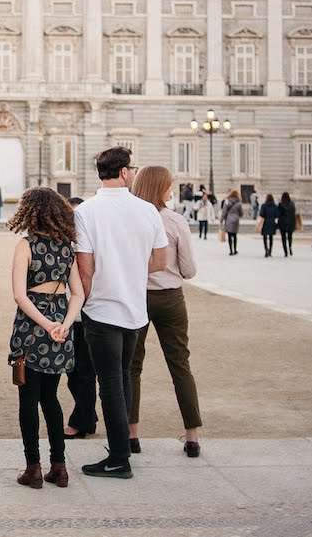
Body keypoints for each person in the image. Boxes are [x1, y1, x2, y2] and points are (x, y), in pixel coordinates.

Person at [73, 147, 168, 480]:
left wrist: (82, 302)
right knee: (124, 377)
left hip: (101, 308)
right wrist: (130, 267)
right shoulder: (147, 210)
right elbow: (160, 262)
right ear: (125, 172)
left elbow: (85, 267)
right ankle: (125, 444)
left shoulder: (86, 211)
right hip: (135, 310)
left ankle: (118, 459)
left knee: (110, 384)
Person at [7, 187, 86, 489]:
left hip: (31, 327)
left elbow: (19, 295)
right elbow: (77, 292)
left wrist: (44, 322)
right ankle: (60, 466)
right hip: (61, 326)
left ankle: (33, 468)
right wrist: (63, 324)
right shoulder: (67, 247)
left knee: (28, 399)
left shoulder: (25, 246)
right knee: (51, 399)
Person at [128, 166, 203, 458]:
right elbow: (190, 270)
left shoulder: (131, 220)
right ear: (162, 188)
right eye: (169, 186)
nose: (172, 190)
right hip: (171, 299)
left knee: (133, 366)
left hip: (137, 297)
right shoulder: (174, 221)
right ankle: (192, 436)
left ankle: (132, 435)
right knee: (180, 366)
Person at [62, 196, 98, 442]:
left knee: (83, 371)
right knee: (73, 372)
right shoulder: (64, 244)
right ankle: (88, 416)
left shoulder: (89, 245)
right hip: (67, 315)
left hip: (86, 313)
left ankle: (81, 421)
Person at [220, 189, 243, 256]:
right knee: (235, 235)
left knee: (230, 235)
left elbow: (224, 212)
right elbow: (241, 213)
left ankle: (231, 250)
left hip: (229, 219)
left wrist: (221, 220)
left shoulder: (227, 202)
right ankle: (235, 249)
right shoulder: (239, 203)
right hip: (236, 220)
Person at [277, 192, 297, 257]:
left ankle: (285, 251)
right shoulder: (292, 204)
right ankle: (290, 247)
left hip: (282, 222)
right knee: (290, 236)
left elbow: (278, 214)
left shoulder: (281, 204)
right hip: (291, 222)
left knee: (283, 238)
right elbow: (294, 212)